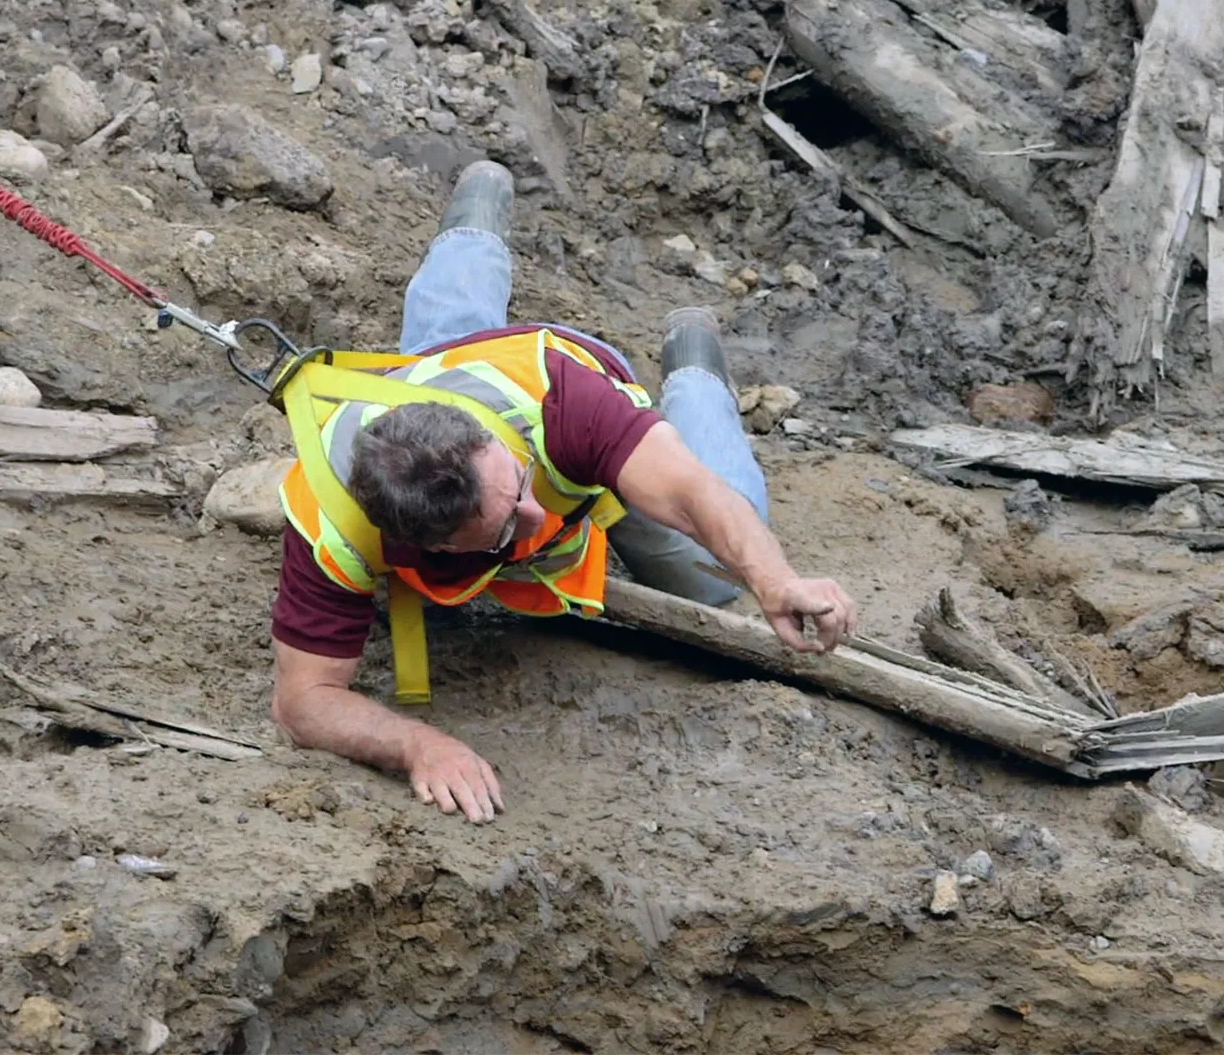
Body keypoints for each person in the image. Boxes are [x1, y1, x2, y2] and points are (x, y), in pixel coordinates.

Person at [268, 160, 859, 824]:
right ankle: (466, 259)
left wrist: (776, 580)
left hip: (539, 395)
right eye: (506, 529)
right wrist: (417, 746)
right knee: (437, 345)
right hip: (431, 387)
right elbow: (304, 700)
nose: (536, 514)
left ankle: (693, 371)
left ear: (483, 439)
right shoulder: (331, 522)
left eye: (517, 485)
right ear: (424, 540)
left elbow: (692, 494)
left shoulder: (559, 400)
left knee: (717, 570)